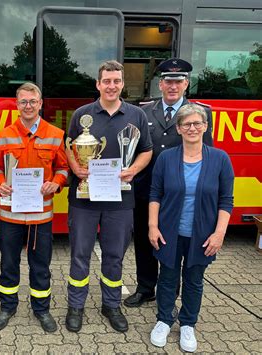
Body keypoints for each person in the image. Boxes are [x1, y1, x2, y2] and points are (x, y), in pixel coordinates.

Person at [65, 60, 153, 333]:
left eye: (116, 81)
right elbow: (69, 147)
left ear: (122, 84)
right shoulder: (82, 114)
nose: (111, 86)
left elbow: (146, 150)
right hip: (84, 200)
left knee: (114, 255)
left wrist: (132, 171)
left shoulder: (136, 115)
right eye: (107, 81)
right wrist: (75, 166)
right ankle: (75, 306)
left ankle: (111, 305)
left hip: (121, 200)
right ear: (98, 84)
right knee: (79, 255)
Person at [125, 58, 214, 308]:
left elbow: (206, 153)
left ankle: (170, 292)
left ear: (186, 84)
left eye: (178, 81)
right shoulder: (144, 111)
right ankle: (145, 288)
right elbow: (135, 149)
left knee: (172, 243)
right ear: (160, 84)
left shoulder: (200, 114)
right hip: (145, 190)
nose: (173, 86)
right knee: (144, 241)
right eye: (168, 81)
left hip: (179, 194)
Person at [148, 103, 234, 352]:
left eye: (198, 123)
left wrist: (219, 233)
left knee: (194, 280)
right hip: (169, 232)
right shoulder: (166, 157)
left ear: (205, 126)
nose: (193, 128)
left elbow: (226, 200)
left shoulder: (219, 159)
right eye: (187, 124)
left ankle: (188, 324)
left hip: (203, 235)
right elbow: (155, 193)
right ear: (179, 128)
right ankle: (164, 320)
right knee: (167, 278)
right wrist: (153, 226)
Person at [0, 82, 68, 333]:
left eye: (32, 101)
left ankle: (42, 309)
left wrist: (55, 184)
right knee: (8, 264)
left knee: (41, 265)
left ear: (40, 103)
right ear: (17, 104)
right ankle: (7, 307)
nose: (28, 106)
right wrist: (0, 183)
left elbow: (63, 169)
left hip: (40, 216)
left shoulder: (55, 134)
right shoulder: (3, 134)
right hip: (10, 216)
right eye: (23, 101)